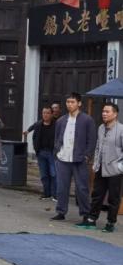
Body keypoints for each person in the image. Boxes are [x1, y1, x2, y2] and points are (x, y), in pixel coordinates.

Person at [52, 92, 96, 223]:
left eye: (72, 102)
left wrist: (87, 156)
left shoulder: (87, 120)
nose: (70, 105)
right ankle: (61, 212)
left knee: (82, 188)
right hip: (63, 158)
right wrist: (57, 152)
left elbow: (92, 140)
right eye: (68, 102)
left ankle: (85, 213)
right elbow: (57, 137)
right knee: (61, 187)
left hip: (79, 159)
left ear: (79, 103)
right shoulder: (61, 120)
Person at [80, 102, 123, 233]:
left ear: (115, 114)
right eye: (103, 111)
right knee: (97, 195)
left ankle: (110, 223)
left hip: (115, 170)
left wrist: (120, 166)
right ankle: (92, 220)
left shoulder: (121, 129)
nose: (104, 113)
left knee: (114, 198)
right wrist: (96, 163)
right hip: (100, 168)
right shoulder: (101, 128)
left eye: (107, 111)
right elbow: (98, 146)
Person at [24, 106, 57, 200]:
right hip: (41, 152)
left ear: (51, 114)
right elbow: (33, 131)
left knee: (54, 174)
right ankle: (46, 193)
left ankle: (55, 195)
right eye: (43, 113)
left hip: (52, 152)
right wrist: (36, 149)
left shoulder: (56, 124)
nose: (45, 115)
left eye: (47, 113)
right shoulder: (39, 124)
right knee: (44, 174)